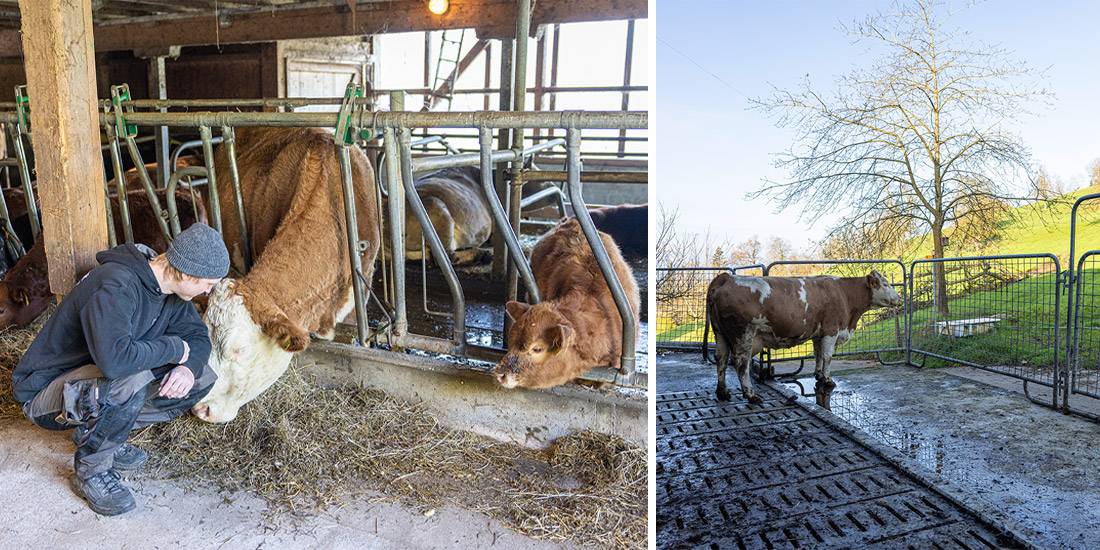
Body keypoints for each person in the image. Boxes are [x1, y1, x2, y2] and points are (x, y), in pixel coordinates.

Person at [11, 223, 229, 516]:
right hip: (44, 393)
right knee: (130, 379)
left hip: (90, 384)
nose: (208, 291)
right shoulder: (116, 284)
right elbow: (115, 362)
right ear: (186, 273)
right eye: (208, 283)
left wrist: (187, 368)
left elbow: (198, 339)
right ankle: (91, 471)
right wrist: (175, 349)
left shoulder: (172, 293)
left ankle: (103, 434)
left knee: (202, 376)